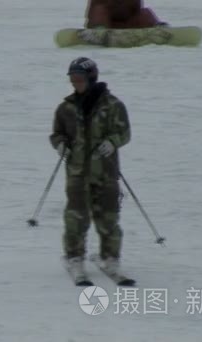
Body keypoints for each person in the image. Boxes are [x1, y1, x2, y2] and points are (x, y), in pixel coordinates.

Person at [49, 57, 131, 283]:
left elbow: (125, 133)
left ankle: (110, 257)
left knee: (109, 217)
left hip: (106, 172)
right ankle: (74, 257)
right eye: (72, 79)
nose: (75, 83)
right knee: (76, 217)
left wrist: (113, 141)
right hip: (78, 173)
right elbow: (56, 133)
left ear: (92, 78)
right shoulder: (65, 108)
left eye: (79, 78)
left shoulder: (113, 105)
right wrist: (60, 145)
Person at [85, 0, 165, 29]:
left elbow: (136, 10)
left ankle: (158, 29)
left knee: (145, 13)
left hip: (128, 22)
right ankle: (99, 31)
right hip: (105, 24)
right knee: (99, 10)